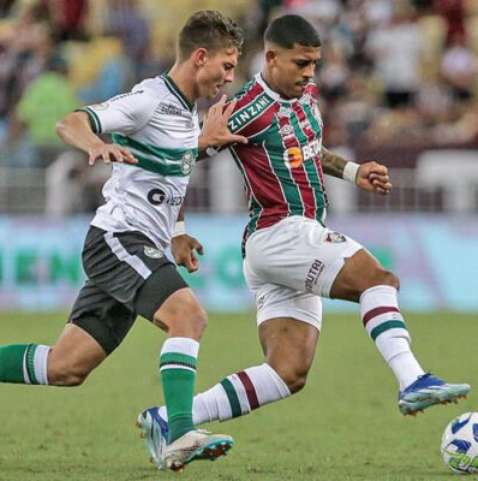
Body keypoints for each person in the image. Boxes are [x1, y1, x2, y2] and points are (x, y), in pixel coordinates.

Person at [138, 14, 471, 468]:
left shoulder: (305, 94)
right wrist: (176, 228)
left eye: (314, 63)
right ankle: (412, 380)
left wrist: (353, 172)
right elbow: (177, 161)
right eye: (301, 63)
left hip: (282, 245)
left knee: (288, 372)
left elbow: (310, 151)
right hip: (282, 232)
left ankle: (168, 418)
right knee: (378, 278)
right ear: (271, 58)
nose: (310, 73)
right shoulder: (244, 108)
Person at [0, 10, 247, 472]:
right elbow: (71, 121)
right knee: (188, 317)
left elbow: (171, 175)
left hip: (137, 244)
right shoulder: (149, 99)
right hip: (118, 239)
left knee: (66, 368)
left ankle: (169, 429)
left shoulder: (188, 113)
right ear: (199, 57)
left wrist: (175, 232)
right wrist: (92, 141)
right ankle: (178, 431)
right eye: (227, 65)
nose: (229, 77)